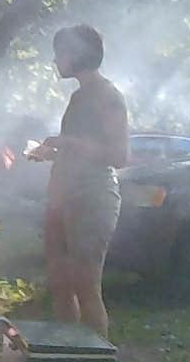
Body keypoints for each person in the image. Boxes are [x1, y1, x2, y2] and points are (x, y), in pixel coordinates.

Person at [27, 23, 130, 334]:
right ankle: (65, 355)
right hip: (62, 197)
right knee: (60, 285)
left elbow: (118, 155)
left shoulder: (108, 95)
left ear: (76, 55)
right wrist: (51, 154)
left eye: (59, 53)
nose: (55, 60)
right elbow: (82, 151)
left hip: (93, 199)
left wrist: (66, 143)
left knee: (86, 287)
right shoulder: (78, 96)